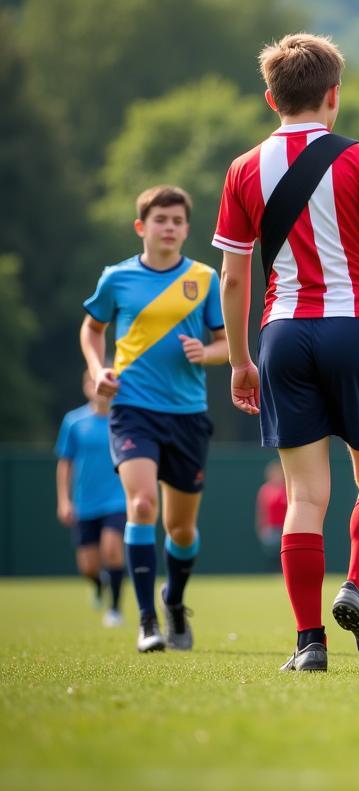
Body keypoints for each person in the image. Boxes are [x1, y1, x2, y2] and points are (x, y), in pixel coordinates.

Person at [214, 32, 359, 673]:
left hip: (281, 335)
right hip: (356, 328)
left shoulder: (244, 168)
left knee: (305, 498)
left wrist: (239, 360)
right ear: (334, 96)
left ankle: (310, 645)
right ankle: (358, 588)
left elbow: (232, 277)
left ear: (269, 98)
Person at [81, 186, 227, 653]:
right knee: (142, 505)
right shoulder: (116, 279)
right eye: (160, 219)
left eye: (178, 221)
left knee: (181, 530)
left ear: (187, 229)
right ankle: (146, 621)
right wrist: (96, 368)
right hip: (132, 412)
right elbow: (92, 327)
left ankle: (175, 601)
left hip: (187, 416)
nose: (169, 227)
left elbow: (228, 345)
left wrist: (205, 352)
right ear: (141, 227)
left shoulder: (204, 279)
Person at [55, 370, 128, 627]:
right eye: (93, 381)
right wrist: (64, 500)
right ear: (87, 386)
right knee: (88, 566)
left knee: (112, 548)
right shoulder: (74, 422)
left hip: (117, 499)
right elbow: (65, 463)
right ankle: (98, 584)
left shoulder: (125, 419)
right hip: (85, 502)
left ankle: (116, 609)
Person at [255, 460, 288, 568]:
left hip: (284, 529)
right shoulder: (265, 490)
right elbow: (262, 511)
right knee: (272, 556)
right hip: (271, 529)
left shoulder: (286, 489)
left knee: (285, 554)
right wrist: (261, 528)